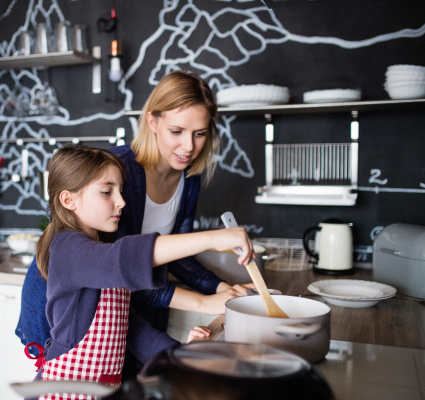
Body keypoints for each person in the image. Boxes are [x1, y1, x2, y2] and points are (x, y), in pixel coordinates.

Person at [16, 70, 255, 371]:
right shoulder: (118, 174)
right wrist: (206, 283)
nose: (189, 147)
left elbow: (172, 257)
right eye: (177, 131)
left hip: (117, 313)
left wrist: (219, 288)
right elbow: (125, 263)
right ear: (152, 122)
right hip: (68, 317)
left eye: (200, 133)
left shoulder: (187, 179)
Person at [32, 145, 253, 395]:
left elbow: (131, 329)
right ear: (68, 199)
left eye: (120, 190)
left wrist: (178, 355)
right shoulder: (67, 249)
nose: (122, 202)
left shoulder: (101, 248)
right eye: (107, 192)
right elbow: (120, 259)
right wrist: (213, 239)